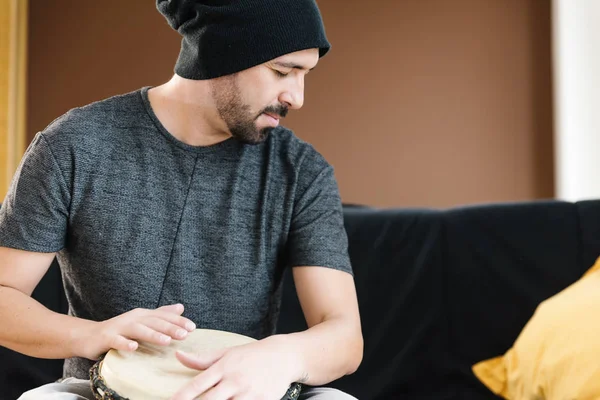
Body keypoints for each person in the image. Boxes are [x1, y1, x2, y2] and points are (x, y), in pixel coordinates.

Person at [0, 0, 363, 399]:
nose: (296, 97)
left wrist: (281, 356)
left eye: (305, 74)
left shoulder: (302, 172)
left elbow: (344, 336)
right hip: (95, 389)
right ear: (222, 53)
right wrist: (95, 334)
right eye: (282, 71)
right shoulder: (72, 146)